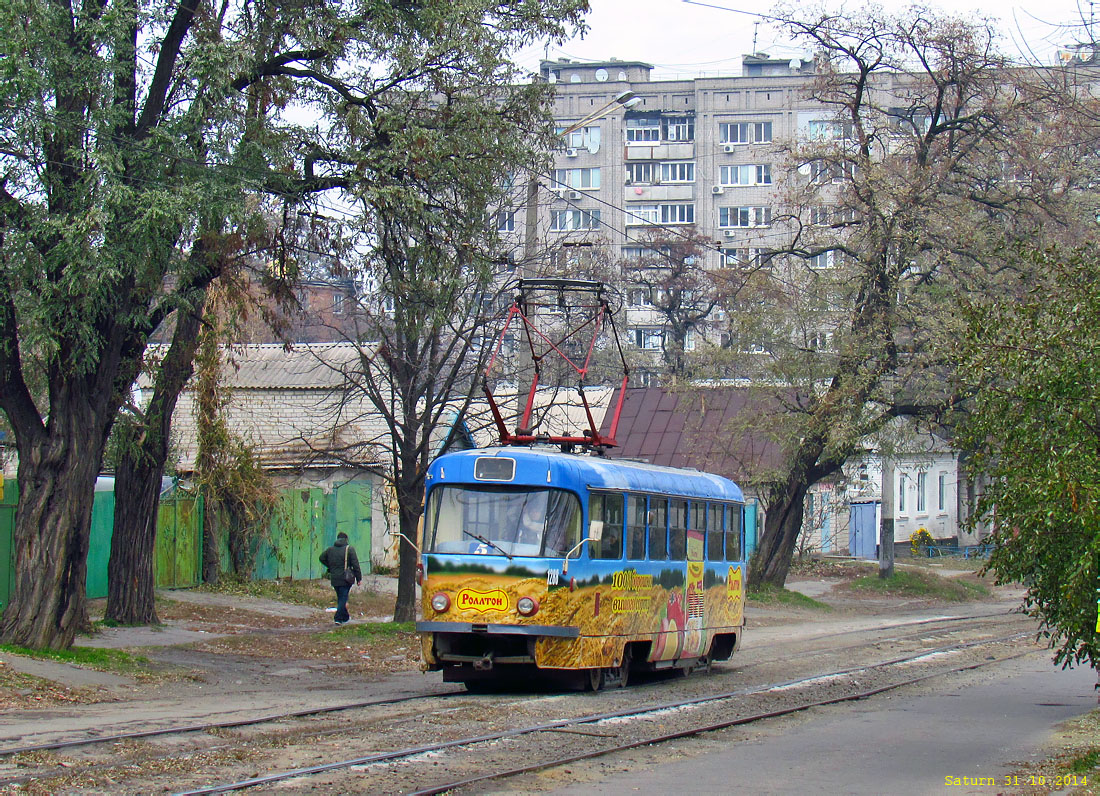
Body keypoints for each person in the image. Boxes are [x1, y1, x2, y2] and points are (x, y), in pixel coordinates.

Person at [319, 532, 361, 624]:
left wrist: (330, 566)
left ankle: (345, 617)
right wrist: (359, 578)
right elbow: (355, 565)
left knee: (341, 597)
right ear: (346, 539)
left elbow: (321, 558)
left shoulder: (330, 550)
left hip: (334, 578)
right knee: (343, 598)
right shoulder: (349, 549)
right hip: (346, 578)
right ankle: (338, 618)